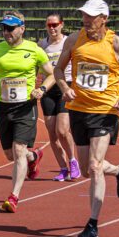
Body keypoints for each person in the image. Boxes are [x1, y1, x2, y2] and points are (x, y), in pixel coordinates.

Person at [54, 0, 119, 237]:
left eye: (91, 17)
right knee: (85, 170)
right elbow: (58, 70)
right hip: (78, 109)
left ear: (104, 18)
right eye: (84, 16)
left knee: (94, 165)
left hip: (105, 110)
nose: (86, 21)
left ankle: (92, 224)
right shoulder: (73, 40)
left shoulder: (116, 43)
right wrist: (64, 87)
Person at [0, 11, 55, 213]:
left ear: (22, 28)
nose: (7, 32)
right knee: (9, 154)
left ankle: (13, 197)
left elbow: (51, 75)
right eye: (4, 28)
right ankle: (34, 157)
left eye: (11, 28)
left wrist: (41, 89)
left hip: (26, 105)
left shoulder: (34, 50)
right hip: (3, 105)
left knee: (19, 149)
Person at [38, 13, 80, 182]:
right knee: (52, 133)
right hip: (49, 89)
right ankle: (63, 168)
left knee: (62, 130)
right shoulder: (41, 45)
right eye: (49, 25)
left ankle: (73, 160)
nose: (52, 28)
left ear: (62, 24)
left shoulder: (68, 42)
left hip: (65, 86)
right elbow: (35, 66)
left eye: (55, 24)